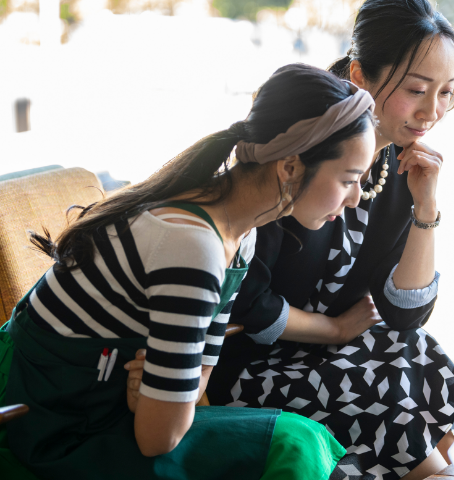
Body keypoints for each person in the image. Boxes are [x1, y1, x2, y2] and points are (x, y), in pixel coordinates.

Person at [0, 63, 377, 480]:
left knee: (296, 441)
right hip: (43, 424)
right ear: (289, 167)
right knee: (294, 445)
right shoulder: (192, 246)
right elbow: (157, 438)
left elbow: (195, 387)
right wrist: (154, 398)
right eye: (348, 179)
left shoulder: (238, 235)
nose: (356, 198)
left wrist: (155, 395)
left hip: (94, 403)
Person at [204, 1, 454, 479]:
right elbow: (244, 297)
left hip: (330, 355)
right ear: (359, 76)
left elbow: (403, 313)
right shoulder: (304, 149)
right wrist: (331, 331)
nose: (431, 111)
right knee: (380, 391)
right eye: (416, 89)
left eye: (447, 93)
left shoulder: (396, 164)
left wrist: (425, 210)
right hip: (254, 364)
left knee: (421, 355)